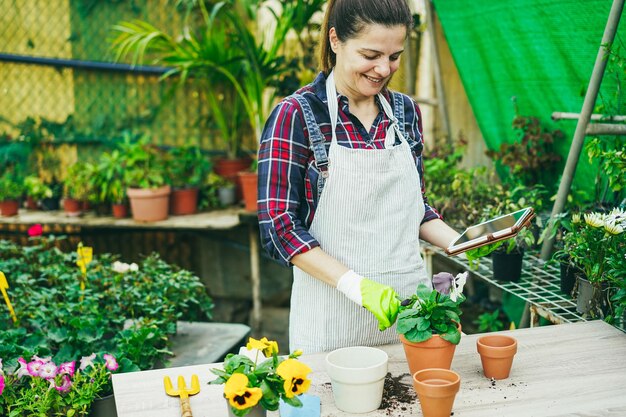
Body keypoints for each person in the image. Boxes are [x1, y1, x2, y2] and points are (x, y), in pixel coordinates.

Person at [257, 0, 461, 354]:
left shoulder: (405, 112)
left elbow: (417, 209)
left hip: (409, 318)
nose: (383, 69)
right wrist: (355, 285)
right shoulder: (297, 115)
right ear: (335, 41)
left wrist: (462, 244)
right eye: (371, 55)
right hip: (330, 325)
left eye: (394, 56)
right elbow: (278, 227)